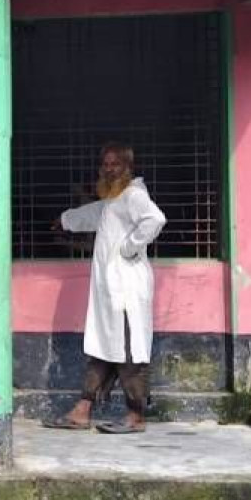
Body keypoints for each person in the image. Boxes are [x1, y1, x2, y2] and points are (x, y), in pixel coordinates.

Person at [43, 142, 167, 434]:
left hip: (126, 292)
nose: (110, 169)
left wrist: (129, 248)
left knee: (126, 354)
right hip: (110, 294)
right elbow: (93, 214)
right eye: (106, 164)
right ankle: (82, 411)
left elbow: (156, 219)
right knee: (103, 350)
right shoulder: (114, 200)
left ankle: (135, 416)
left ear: (128, 167)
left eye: (116, 164)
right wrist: (64, 220)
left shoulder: (134, 195)